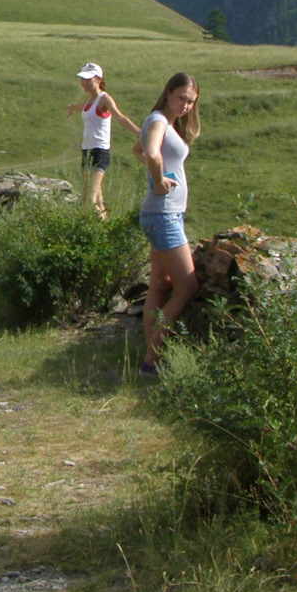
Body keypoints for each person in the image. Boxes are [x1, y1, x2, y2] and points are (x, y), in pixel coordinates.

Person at [133, 72, 200, 379]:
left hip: (162, 214)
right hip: (164, 215)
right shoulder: (159, 120)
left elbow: (140, 149)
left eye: (190, 101)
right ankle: (152, 359)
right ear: (168, 92)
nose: (185, 106)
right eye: (181, 98)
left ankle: (151, 359)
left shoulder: (163, 121)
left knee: (159, 286)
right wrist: (159, 181)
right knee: (187, 287)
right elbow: (149, 152)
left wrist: (157, 174)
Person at [66, 63, 138, 218]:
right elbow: (81, 107)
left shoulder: (104, 99)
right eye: (82, 79)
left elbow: (119, 117)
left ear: (98, 79)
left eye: (88, 79)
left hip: (100, 150)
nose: (84, 83)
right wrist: (72, 107)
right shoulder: (88, 101)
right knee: (95, 197)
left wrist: (139, 132)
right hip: (87, 150)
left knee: (90, 198)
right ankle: (106, 227)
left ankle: (90, 230)